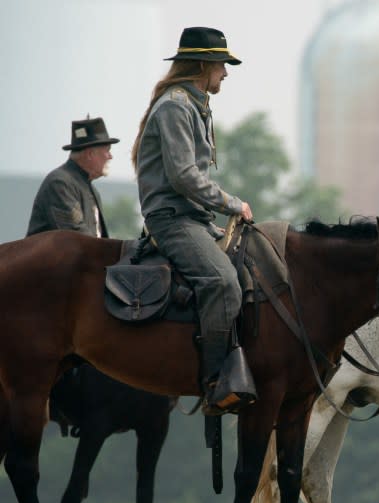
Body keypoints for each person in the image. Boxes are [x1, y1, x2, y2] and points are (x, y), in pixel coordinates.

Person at [131, 27, 254, 415]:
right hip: (173, 218)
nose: (226, 73)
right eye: (222, 65)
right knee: (222, 282)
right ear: (203, 64)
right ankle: (216, 383)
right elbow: (184, 176)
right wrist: (232, 203)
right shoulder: (176, 105)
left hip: (193, 217)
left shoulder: (194, 103)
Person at [27, 117, 118, 237]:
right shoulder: (59, 183)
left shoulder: (89, 189)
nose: (110, 156)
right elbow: (77, 237)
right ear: (90, 154)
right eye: (107, 150)